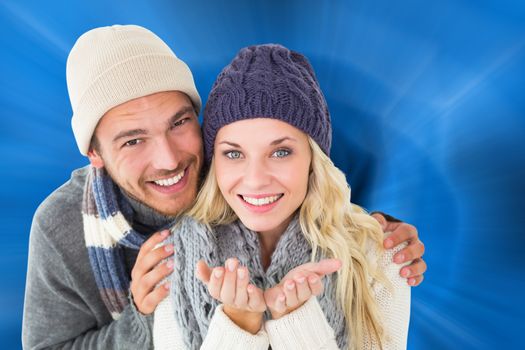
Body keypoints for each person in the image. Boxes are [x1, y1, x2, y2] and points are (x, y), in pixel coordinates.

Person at [22, 25, 426, 349]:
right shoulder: (63, 226)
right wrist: (143, 319)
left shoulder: (223, 167)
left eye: (179, 123)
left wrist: (372, 230)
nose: (169, 160)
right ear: (95, 153)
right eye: (133, 140)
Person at [154, 44, 411, 349]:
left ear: (313, 160)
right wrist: (239, 325)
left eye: (280, 152)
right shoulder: (174, 258)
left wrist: (296, 321)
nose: (255, 179)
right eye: (234, 153)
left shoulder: (378, 255)